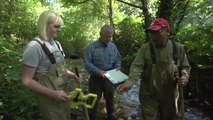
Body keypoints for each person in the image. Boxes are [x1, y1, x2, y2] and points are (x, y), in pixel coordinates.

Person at [117, 18, 191, 120]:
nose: (153, 36)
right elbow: (137, 66)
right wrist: (129, 82)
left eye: (157, 32)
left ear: (167, 32)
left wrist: (185, 77)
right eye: (151, 33)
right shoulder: (145, 48)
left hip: (170, 95)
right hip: (149, 94)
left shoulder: (178, 48)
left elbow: (185, 67)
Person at [21, 10, 81, 120]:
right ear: (45, 25)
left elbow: (60, 69)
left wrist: (72, 75)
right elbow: (26, 80)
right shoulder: (34, 47)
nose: (60, 29)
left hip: (62, 93)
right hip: (48, 98)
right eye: (56, 26)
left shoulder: (56, 44)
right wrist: (53, 94)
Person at [84, 24, 121, 120]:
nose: (109, 38)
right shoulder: (91, 47)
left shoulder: (113, 46)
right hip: (96, 79)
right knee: (93, 102)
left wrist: (117, 69)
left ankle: (111, 117)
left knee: (111, 102)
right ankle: (91, 117)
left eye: (110, 36)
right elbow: (87, 63)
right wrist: (97, 71)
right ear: (100, 34)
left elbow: (118, 59)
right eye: (106, 36)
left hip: (110, 78)